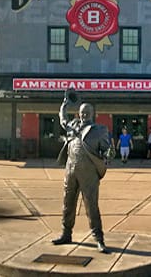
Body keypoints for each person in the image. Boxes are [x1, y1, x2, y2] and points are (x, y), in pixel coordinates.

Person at [52, 92, 112, 253]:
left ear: (92, 114)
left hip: (89, 173)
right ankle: (66, 234)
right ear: (78, 113)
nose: (84, 114)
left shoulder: (100, 130)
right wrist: (64, 104)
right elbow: (62, 119)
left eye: (87, 112)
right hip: (70, 170)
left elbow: (107, 150)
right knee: (67, 203)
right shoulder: (72, 125)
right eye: (82, 112)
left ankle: (99, 238)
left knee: (91, 206)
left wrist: (108, 156)